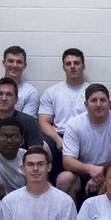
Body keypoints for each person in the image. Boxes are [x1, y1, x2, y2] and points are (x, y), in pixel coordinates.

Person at [56, 84, 111, 201]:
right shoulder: (74, 124)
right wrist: (91, 170)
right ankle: (71, 218)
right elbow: (67, 162)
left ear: (109, 103)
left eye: (102, 100)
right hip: (84, 172)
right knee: (64, 179)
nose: (98, 104)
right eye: (93, 100)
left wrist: (103, 174)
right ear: (86, 104)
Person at [38, 48, 90, 183]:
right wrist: (57, 140)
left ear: (83, 66)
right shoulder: (52, 92)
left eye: (76, 63)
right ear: (63, 67)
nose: (72, 67)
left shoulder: (92, 91)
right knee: (40, 147)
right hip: (58, 137)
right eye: (68, 64)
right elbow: (43, 122)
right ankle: (42, 189)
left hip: (84, 137)